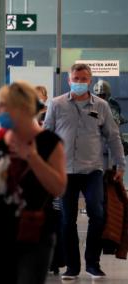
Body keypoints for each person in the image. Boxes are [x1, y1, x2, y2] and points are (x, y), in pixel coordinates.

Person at [0, 81, 66, 284]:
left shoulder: (48, 142)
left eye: (5, 106)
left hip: (34, 230)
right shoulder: (1, 141)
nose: (0, 111)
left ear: (23, 109)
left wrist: (33, 158)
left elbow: (59, 187)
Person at [44, 63, 125, 280]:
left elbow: (113, 136)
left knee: (98, 215)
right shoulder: (56, 104)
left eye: (84, 79)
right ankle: (72, 267)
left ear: (90, 81)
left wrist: (120, 165)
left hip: (92, 171)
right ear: (69, 81)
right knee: (67, 220)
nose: (79, 82)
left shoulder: (101, 106)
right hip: (64, 172)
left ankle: (93, 263)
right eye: (76, 79)